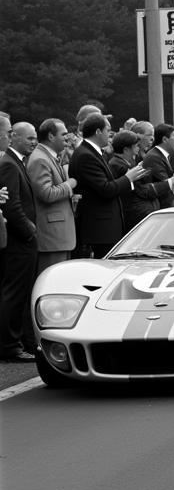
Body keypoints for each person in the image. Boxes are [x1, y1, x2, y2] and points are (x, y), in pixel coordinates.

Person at [69, 113, 146, 258]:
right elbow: (105, 189)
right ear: (98, 132)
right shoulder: (86, 155)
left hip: (105, 227)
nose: (110, 135)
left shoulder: (93, 152)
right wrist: (128, 178)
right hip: (99, 229)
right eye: (107, 131)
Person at [0, 121, 40, 360]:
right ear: (13, 137)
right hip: (19, 241)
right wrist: (29, 231)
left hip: (20, 239)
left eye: (35, 138)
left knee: (20, 292)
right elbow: (11, 205)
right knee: (14, 293)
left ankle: (19, 342)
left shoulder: (16, 162)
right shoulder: (9, 165)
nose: (33, 142)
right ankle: (9, 346)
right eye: (29, 138)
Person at [26, 117, 78, 274]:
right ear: (50, 136)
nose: (67, 138)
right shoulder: (40, 159)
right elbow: (46, 194)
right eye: (63, 134)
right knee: (51, 284)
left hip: (59, 236)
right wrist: (69, 185)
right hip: (52, 237)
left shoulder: (48, 156)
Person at [141, 123, 174, 210]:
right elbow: (165, 184)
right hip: (161, 209)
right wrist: (172, 181)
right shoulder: (154, 157)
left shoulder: (162, 155)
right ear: (165, 139)